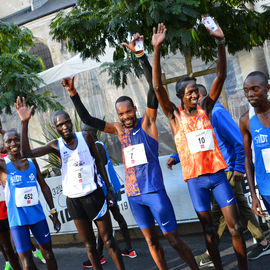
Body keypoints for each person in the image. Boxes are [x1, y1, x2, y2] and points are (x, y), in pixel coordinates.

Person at [61, 34, 198, 270]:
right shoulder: (117, 129)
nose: (125, 117)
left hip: (155, 193)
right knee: (151, 242)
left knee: (173, 240)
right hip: (135, 197)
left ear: (135, 109)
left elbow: (154, 89)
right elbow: (87, 119)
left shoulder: (148, 123)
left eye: (128, 112)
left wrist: (141, 56)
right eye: (121, 114)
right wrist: (74, 95)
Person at [152, 23, 247, 270]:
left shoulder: (208, 109)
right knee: (209, 232)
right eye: (190, 93)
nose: (195, 95)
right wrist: (156, 50)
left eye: (196, 91)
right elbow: (157, 87)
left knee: (236, 227)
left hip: (217, 176)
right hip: (196, 181)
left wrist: (220, 42)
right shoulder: (174, 116)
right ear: (181, 97)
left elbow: (221, 76)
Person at [14, 99, 125, 270]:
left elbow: (99, 163)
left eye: (67, 122)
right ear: (55, 128)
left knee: (109, 240)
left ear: (71, 123)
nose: (65, 126)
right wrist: (25, 123)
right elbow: (26, 153)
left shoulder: (85, 137)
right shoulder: (55, 146)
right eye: (60, 125)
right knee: (89, 246)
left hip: (95, 196)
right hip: (75, 202)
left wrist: (109, 189)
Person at [168, 84, 270, 265]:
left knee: (222, 215)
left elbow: (237, 139)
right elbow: (196, 141)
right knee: (237, 212)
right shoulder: (197, 116)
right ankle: (262, 241)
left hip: (227, 170)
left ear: (203, 98)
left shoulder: (216, 112)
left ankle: (213, 252)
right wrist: (176, 158)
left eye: (195, 97)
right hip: (212, 171)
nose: (193, 101)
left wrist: (238, 167)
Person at [0, 129, 61, 270]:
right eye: (8, 141)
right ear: (3, 146)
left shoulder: (32, 161)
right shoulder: (3, 164)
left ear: (21, 141)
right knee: (27, 262)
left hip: (38, 217)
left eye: (16, 139)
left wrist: (53, 212)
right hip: (18, 221)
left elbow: (44, 187)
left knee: (49, 255)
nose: (13, 143)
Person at [81, 124, 136, 269]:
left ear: (94, 132)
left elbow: (99, 169)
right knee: (113, 219)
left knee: (104, 224)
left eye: (86, 130)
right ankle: (128, 249)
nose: (84, 133)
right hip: (107, 187)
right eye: (82, 131)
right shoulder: (96, 145)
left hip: (105, 189)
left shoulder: (97, 146)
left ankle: (100, 256)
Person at [239, 71, 270, 247]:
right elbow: (247, 159)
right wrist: (254, 195)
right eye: (246, 90)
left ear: (267, 89)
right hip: (267, 188)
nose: (250, 94)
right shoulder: (245, 120)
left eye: (255, 89)